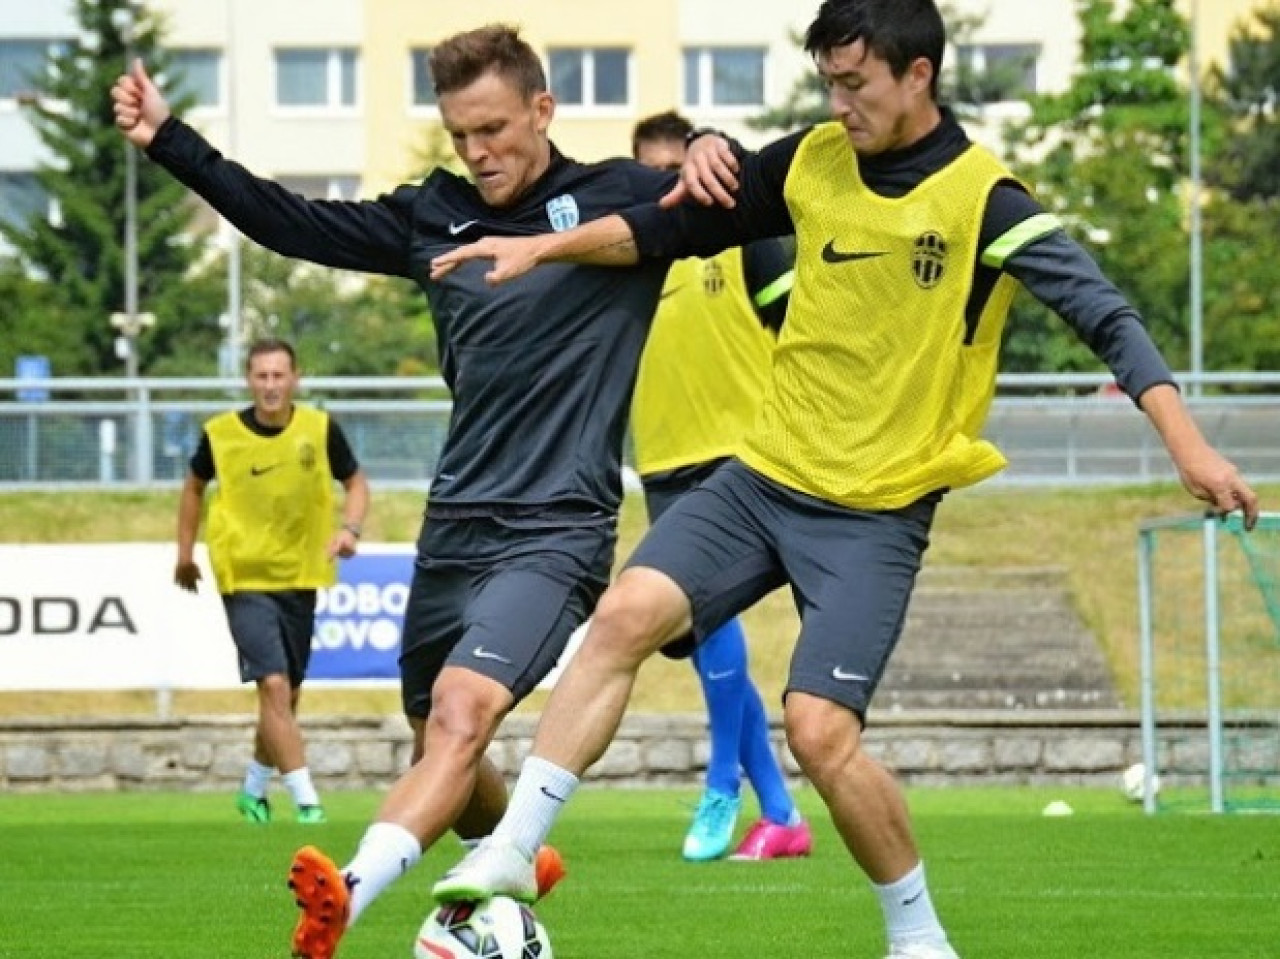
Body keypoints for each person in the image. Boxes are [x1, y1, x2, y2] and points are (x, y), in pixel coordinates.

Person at [427, 1, 1260, 957]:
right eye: (828, 81)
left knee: (818, 732)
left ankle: (920, 936)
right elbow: (668, 228)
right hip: (762, 476)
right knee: (621, 616)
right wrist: (545, 242)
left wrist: (1189, 447)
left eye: (855, 84)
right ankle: (512, 853)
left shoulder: (986, 199)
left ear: (918, 77)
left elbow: (1109, 319)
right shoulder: (813, 158)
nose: (838, 103)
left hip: (876, 510)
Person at [114, 24, 684, 959]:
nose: (477, 152)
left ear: (543, 109)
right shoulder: (437, 214)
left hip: (556, 526)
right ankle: (520, 863)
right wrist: (173, 139)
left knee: (462, 713)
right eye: (460, 134)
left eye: (494, 128)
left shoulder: (620, 197)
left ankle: (348, 891)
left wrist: (710, 149)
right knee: (437, 736)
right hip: (454, 525)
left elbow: (735, 201)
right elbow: (289, 220)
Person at [629, 110, 811, 862]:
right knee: (705, 643)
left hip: (740, 455)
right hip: (662, 462)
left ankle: (720, 787)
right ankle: (781, 811)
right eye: (653, 175)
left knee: (709, 627)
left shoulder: (747, 241)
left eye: (680, 170)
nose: (671, 187)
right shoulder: (635, 254)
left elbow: (806, 331)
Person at [174, 337, 369, 826]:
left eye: (279, 375)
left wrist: (350, 529)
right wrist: (184, 553)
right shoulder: (220, 434)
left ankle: (253, 789)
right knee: (274, 684)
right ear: (248, 379)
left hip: (301, 574)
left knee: (287, 694)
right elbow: (193, 487)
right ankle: (308, 801)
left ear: (295, 378)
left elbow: (357, 484)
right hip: (243, 576)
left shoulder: (319, 429)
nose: (270, 386)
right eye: (261, 376)